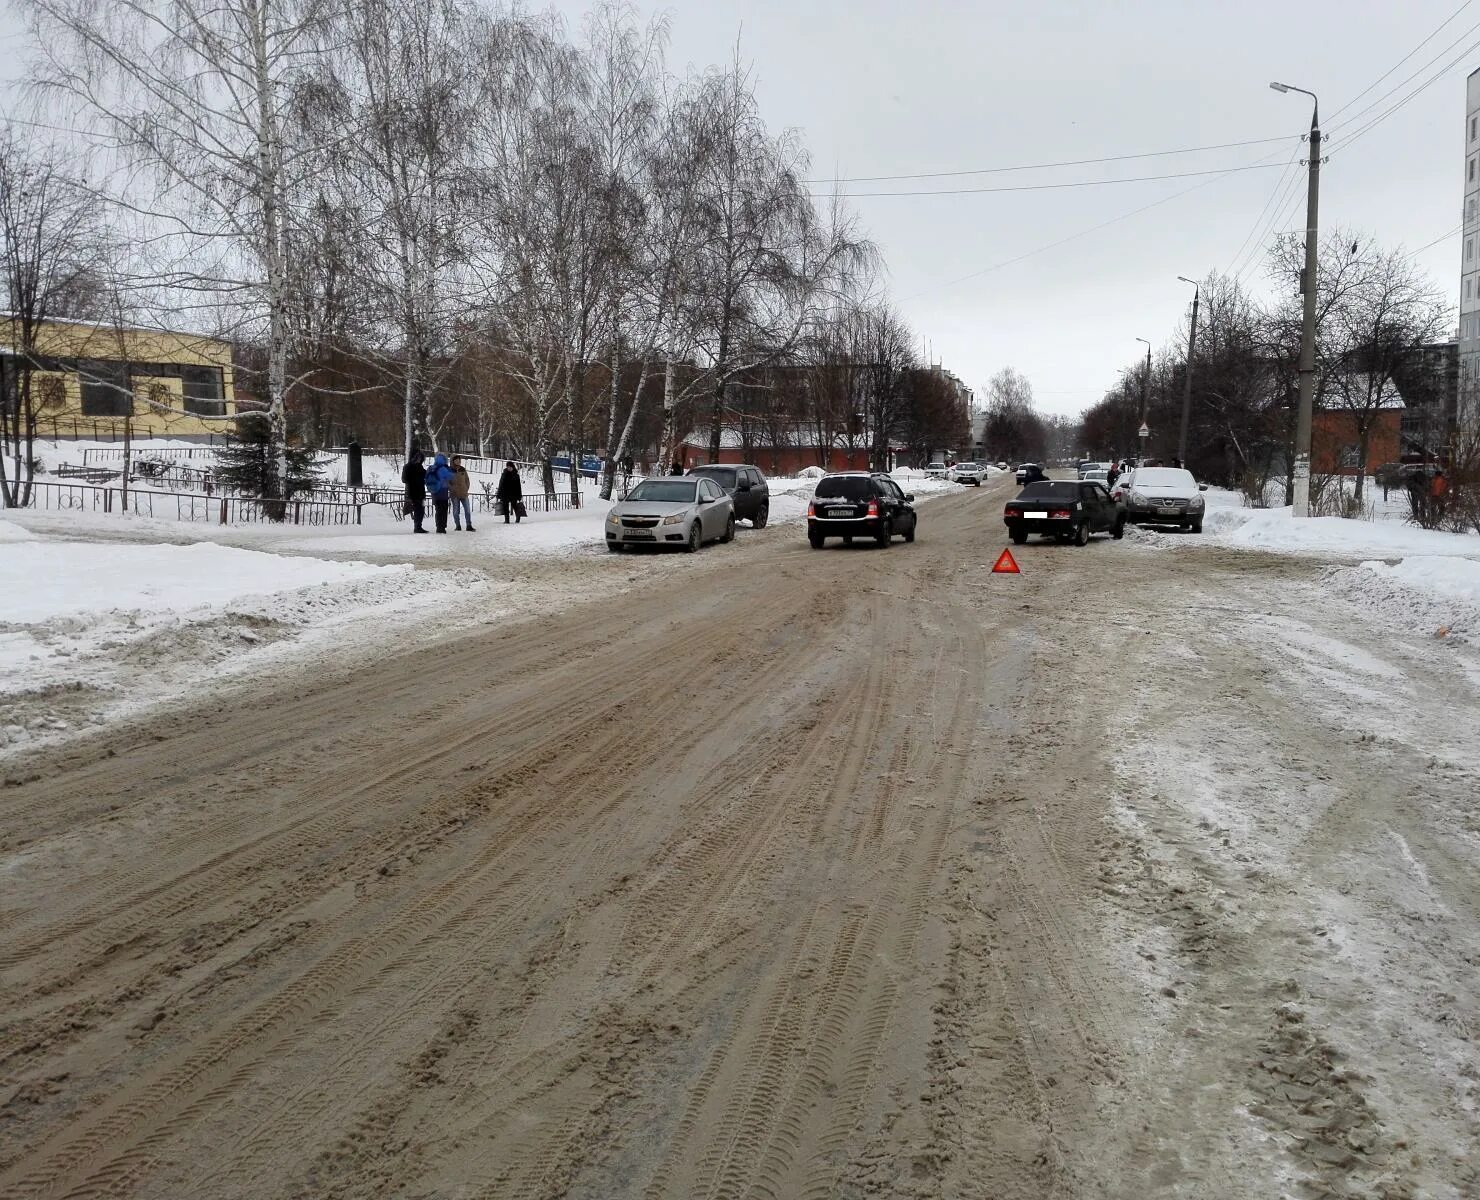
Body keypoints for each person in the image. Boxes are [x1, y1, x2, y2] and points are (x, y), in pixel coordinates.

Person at [424, 452, 454, 533]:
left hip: (434, 492)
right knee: (443, 510)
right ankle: (442, 527)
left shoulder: (431, 468)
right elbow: (451, 476)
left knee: (438, 510)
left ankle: (438, 526)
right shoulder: (443, 469)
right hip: (443, 492)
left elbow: (425, 479)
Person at [401, 450, 428, 534]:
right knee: (417, 509)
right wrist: (415, 480)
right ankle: (417, 527)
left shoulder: (420, 467)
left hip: (421, 492)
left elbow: (425, 476)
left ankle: (419, 526)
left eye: (421, 458)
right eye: (418, 457)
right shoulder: (408, 466)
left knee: (421, 510)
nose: (419, 460)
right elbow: (404, 479)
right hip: (413, 492)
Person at [450, 455, 474, 532]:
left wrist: (466, 488)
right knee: (456, 511)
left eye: (459, 460)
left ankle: (469, 525)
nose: (458, 461)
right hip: (454, 494)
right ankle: (458, 525)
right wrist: (452, 489)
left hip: (464, 493)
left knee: (467, 510)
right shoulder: (450, 470)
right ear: (453, 461)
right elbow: (447, 482)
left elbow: (467, 480)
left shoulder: (463, 469)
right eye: (456, 460)